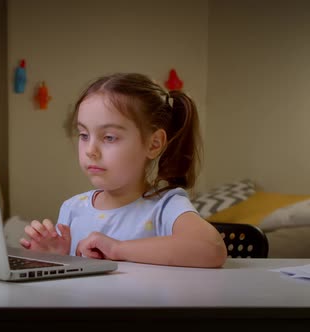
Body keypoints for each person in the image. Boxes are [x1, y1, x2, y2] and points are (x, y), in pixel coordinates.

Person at [19, 73, 227, 268]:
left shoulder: (165, 207)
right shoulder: (73, 209)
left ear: (154, 144)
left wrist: (117, 249)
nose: (90, 151)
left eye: (109, 137)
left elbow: (213, 249)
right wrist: (55, 257)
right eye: (83, 135)